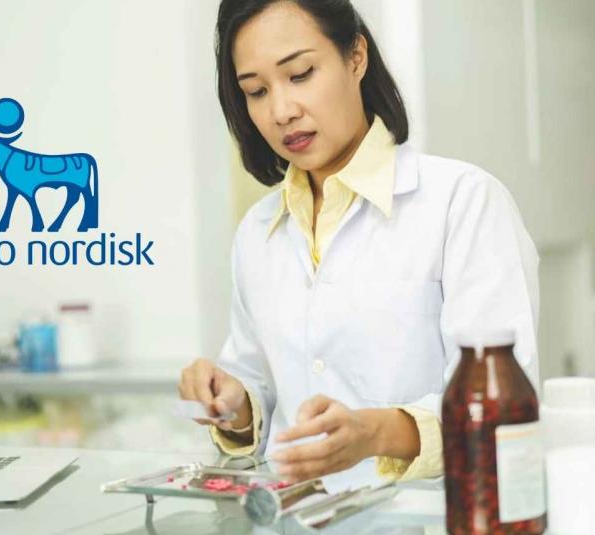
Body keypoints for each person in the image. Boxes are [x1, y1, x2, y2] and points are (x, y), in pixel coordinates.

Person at [178, 0, 540, 485]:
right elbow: (258, 385)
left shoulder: (463, 202)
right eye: (256, 91)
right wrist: (232, 403)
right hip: (295, 513)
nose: (281, 111)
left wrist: (376, 434)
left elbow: (500, 406)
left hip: (428, 513)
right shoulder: (257, 233)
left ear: (355, 57)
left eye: (301, 74)